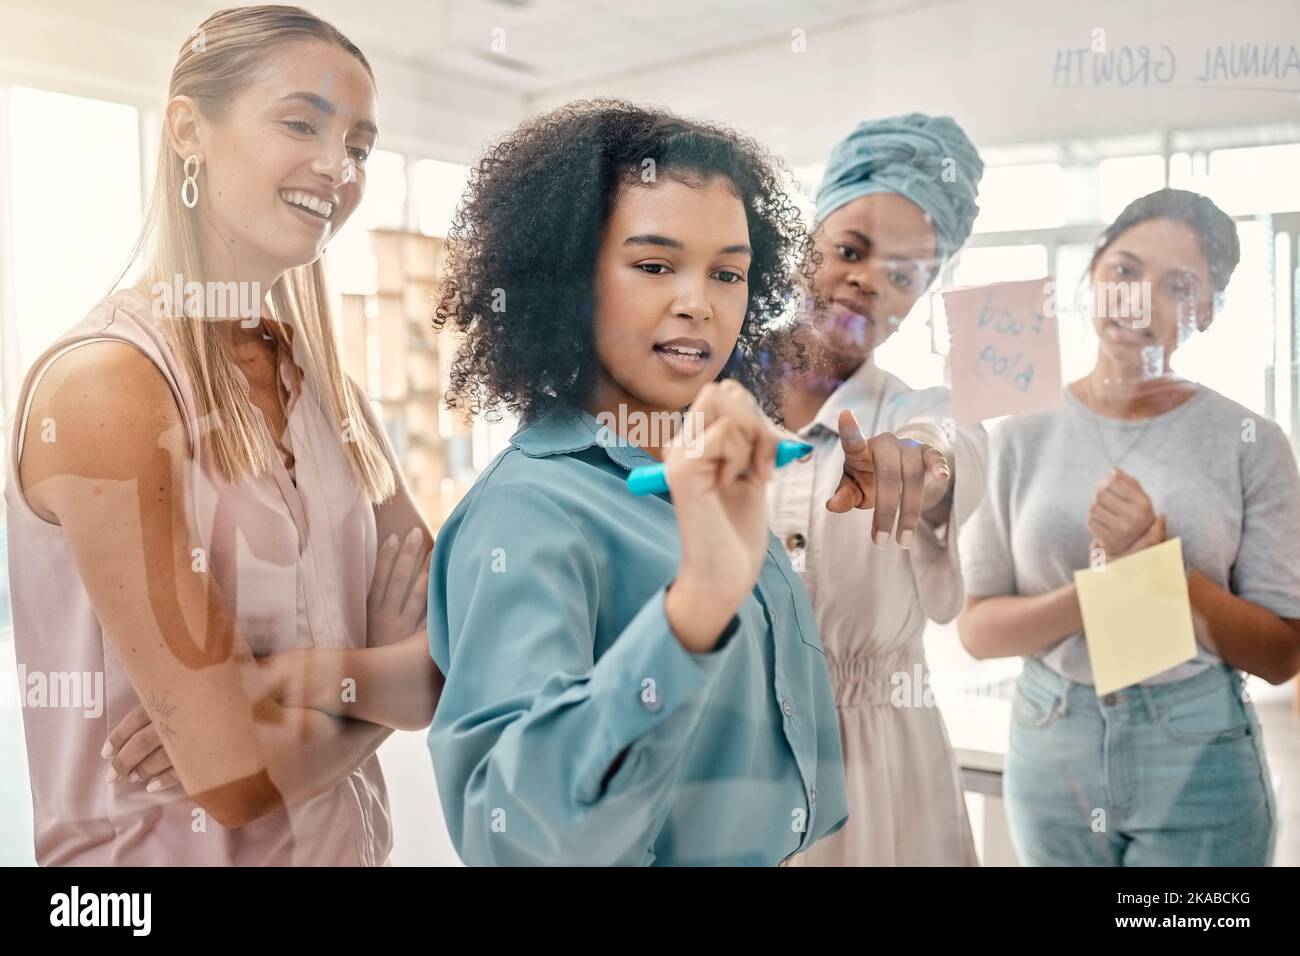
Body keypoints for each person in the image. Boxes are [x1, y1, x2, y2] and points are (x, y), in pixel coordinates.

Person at [7, 5, 440, 866]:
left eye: (358, 144)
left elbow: (448, 664)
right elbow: (236, 777)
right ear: (187, 130)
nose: (339, 167)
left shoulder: (332, 398)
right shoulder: (109, 388)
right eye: (301, 123)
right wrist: (377, 685)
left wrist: (286, 684)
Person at [426, 100, 848, 865]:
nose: (699, 303)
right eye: (654, 265)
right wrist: (696, 605)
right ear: (566, 281)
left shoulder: (706, 472)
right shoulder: (528, 515)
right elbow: (513, 839)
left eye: (728, 273)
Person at [958, 188, 1300, 866]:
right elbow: (977, 629)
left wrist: (1166, 565)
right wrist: (1101, 588)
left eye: (1177, 286)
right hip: (1052, 740)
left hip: (1197, 748)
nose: (1140, 299)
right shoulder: (1018, 432)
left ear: (1204, 311)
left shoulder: (1251, 441)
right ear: (1091, 277)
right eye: (1124, 271)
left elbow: (1281, 655)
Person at [772, 114, 989, 865]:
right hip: (729, 748)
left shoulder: (913, 412)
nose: (867, 281)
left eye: (903, 274)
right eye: (851, 250)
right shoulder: (704, 393)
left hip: (882, 766)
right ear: (807, 243)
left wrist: (925, 469)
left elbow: (953, 446)